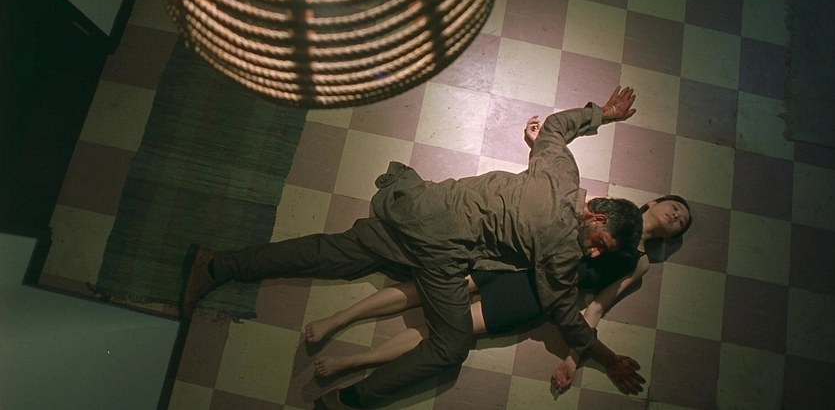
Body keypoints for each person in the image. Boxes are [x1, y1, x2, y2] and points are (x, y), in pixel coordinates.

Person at [179, 86, 646, 408]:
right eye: (601, 244)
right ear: (595, 217)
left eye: (602, 253)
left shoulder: (561, 172)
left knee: (332, 253)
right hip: (440, 251)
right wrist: (609, 360)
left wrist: (604, 113)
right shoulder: (562, 249)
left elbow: (556, 127)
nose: (594, 254)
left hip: (420, 207)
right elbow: (566, 315)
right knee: (451, 346)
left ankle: (217, 265)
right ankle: (349, 401)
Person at [304, 193, 691, 389]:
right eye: (675, 207)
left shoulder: (639, 262)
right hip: (519, 258)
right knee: (426, 288)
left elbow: (596, 308)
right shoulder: (616, 209)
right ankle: (338, 319)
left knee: (445, 329)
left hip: (536, 296)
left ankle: (351, 363)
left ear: (670, 237)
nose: (676, 215)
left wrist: (574, 360)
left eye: (681, 222)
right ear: (655, 201)